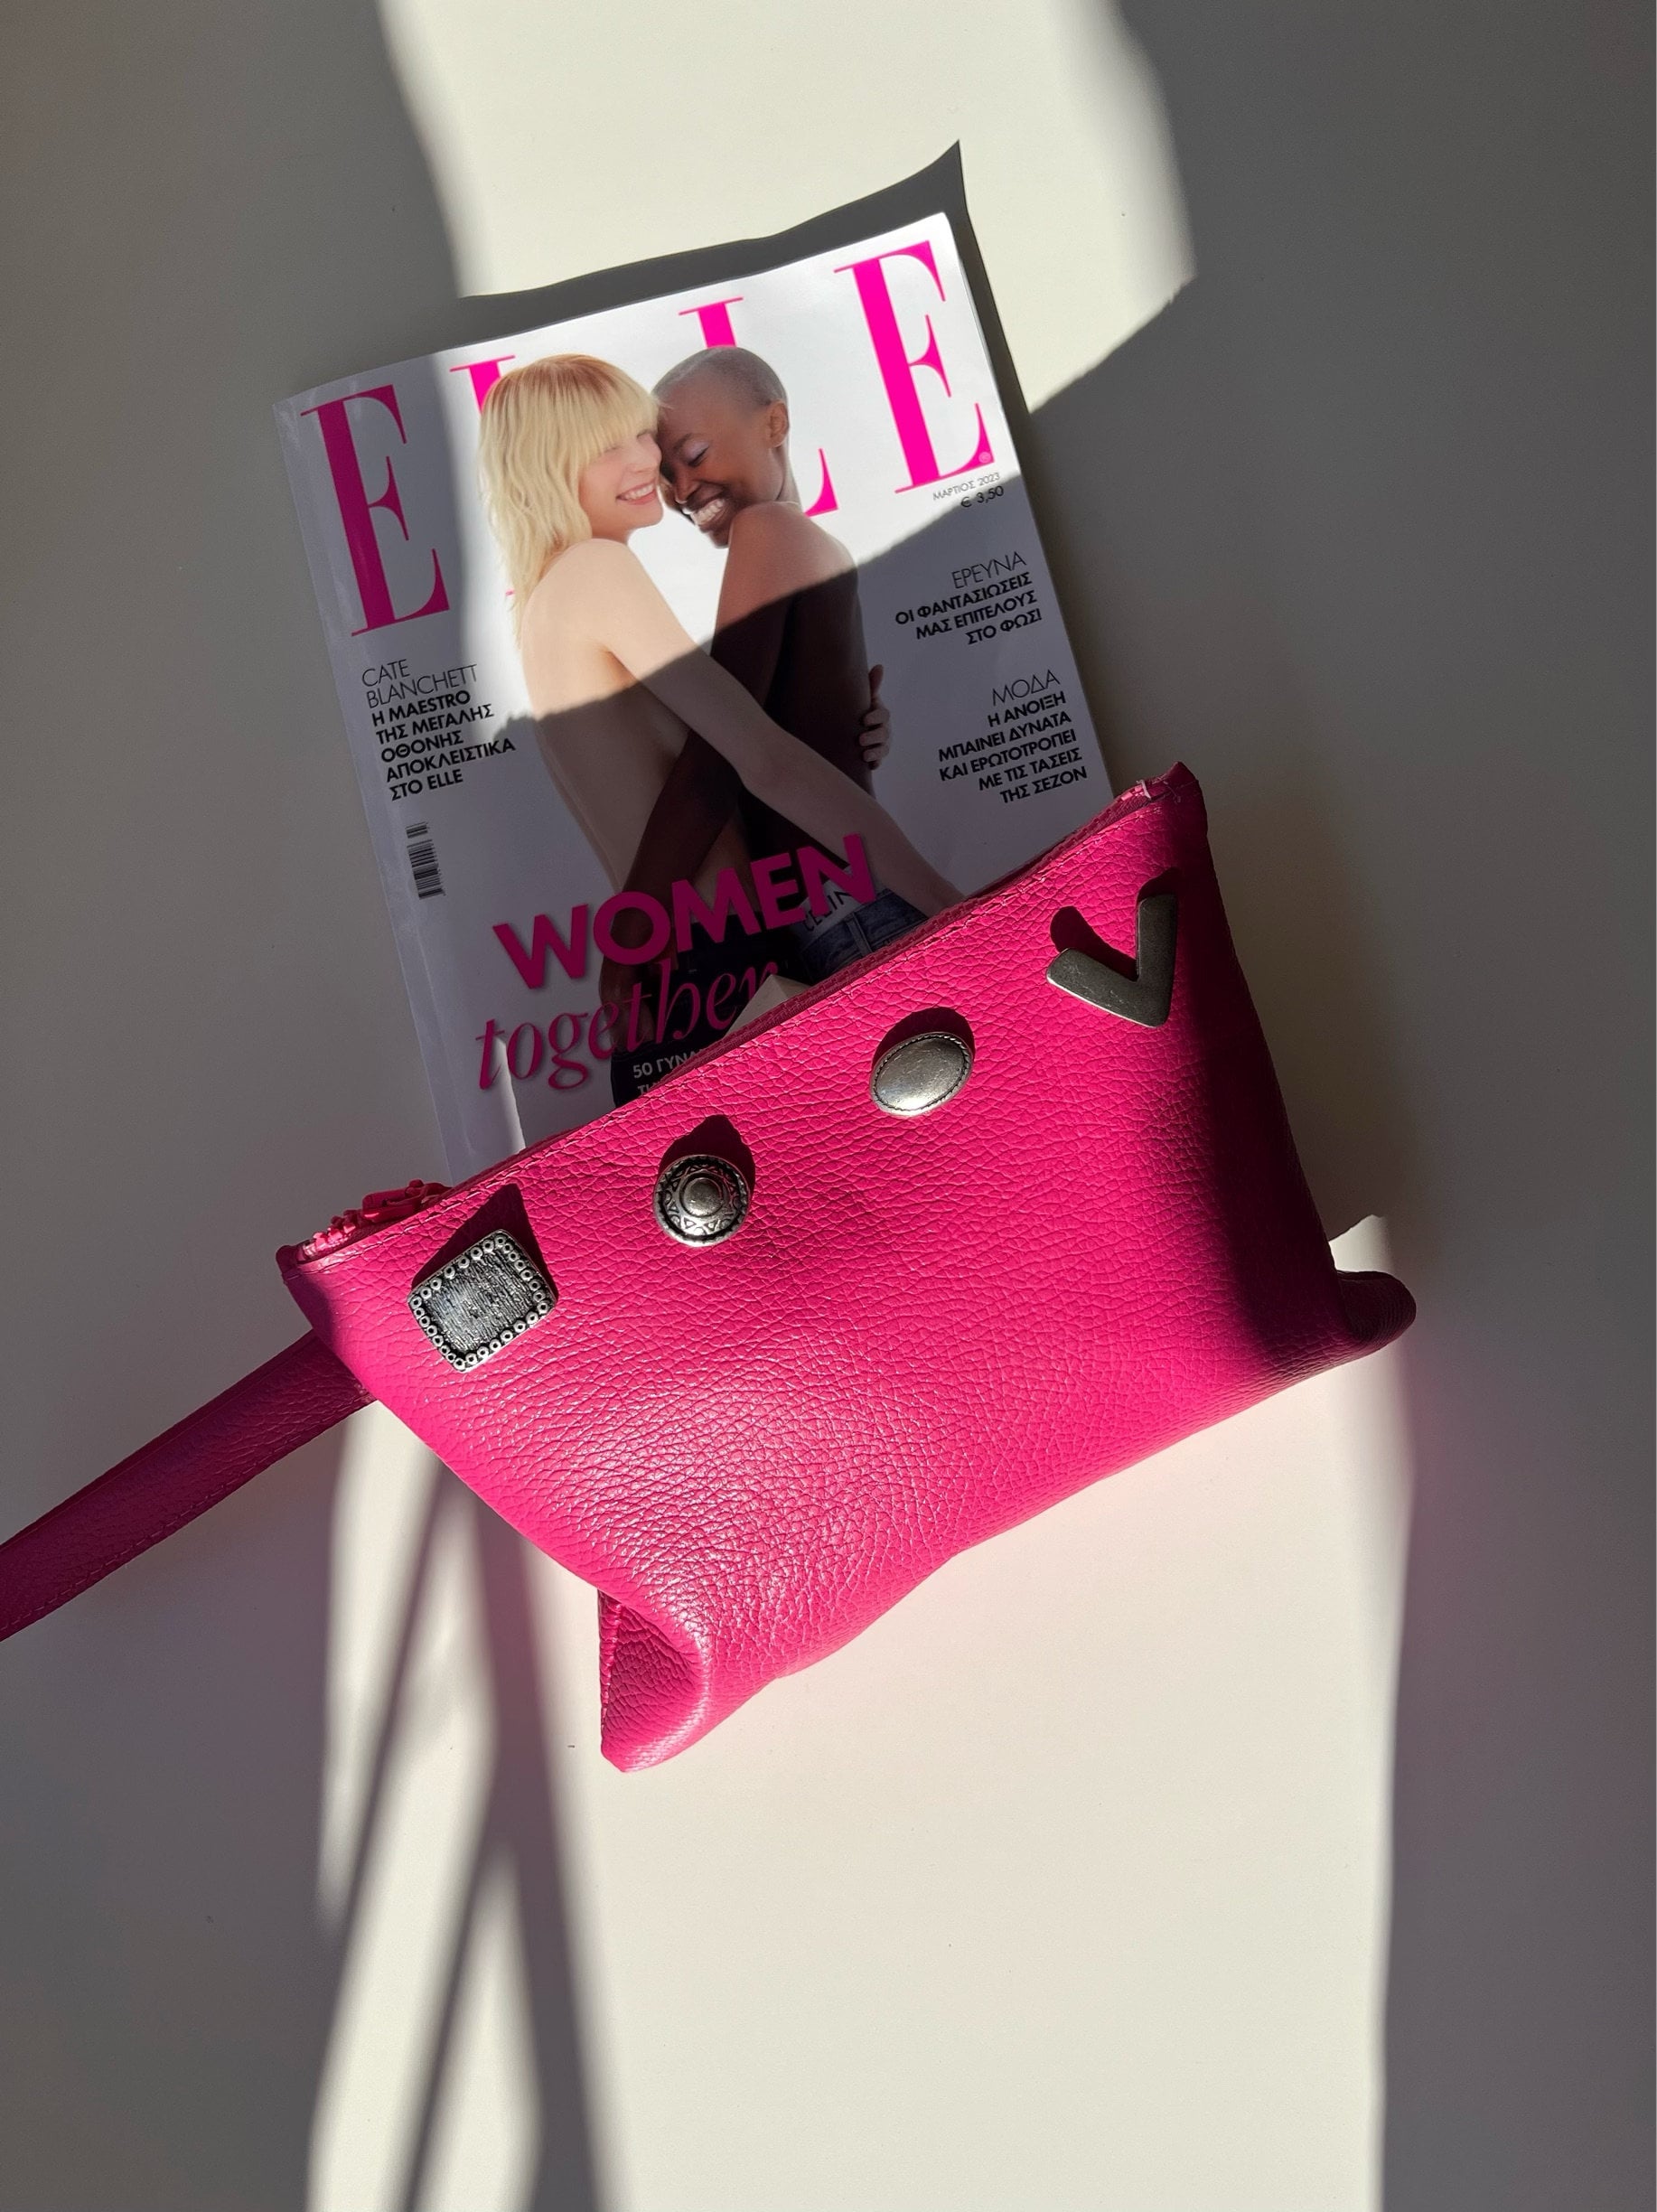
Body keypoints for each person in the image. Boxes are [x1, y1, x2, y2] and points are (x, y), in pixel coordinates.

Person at [475, 354, 958, 1100]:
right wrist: (950, 904)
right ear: (547, 468)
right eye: (610, 447)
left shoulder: (548, 601)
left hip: (685, 970)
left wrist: (839, 722)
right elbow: (755, 761)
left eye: (644, 436)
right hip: (714, 957)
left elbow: (717, 755)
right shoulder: (597, 570)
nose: (650, 464)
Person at [604, 346, 925, 1014]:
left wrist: (631, 933)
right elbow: (801, 729)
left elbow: (718, 759)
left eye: (694, 455)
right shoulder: (820, 546)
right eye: (666, 476)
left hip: (845, 916)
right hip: (849, 907)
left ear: (774, 424)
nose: (681, 491)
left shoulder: (768, 528)